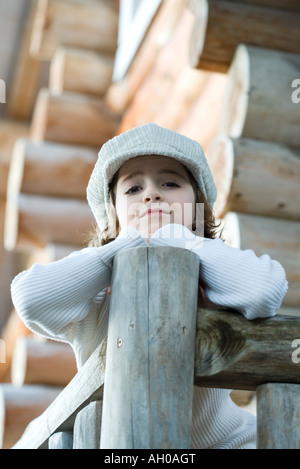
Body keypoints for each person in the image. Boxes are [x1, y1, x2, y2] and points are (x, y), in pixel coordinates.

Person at [11, 123, 288, 449]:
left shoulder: (216, 271)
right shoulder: (96, 294)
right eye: (133, 190)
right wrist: (121, 246)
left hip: (227, 442)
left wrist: (181, 238)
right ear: (113, 217)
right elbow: (31, 298)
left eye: (170, 183)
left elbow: (266, 290)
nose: (152, 194)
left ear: (197, 207)